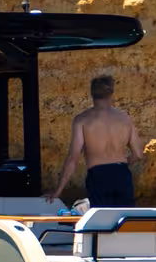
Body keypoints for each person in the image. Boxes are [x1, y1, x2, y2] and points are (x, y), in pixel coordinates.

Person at [46, 74, 146, 209]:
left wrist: (57, 191)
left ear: (92, 94)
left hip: (98, 176)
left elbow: (72, 160)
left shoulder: (82, 120)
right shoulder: (125, 119)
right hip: (122, 174)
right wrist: (123, 164)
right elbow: (138, 154)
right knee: (124, 218)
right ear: (111, 93)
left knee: (102, 219)